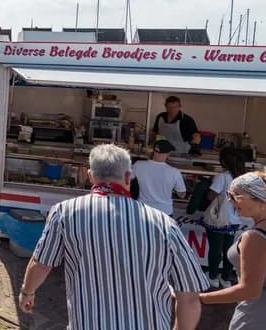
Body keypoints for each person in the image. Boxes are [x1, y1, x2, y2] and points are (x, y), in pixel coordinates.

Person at [20, 144, 207, 330]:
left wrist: (27, 292)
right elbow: (189, 297)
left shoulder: (65, 213)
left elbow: (42, 264)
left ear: (90, 176)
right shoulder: (164, 224)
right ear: (128, 177)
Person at [200, 166, 266, 328]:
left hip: (262, 315)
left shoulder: (255, 237)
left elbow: (250, 291)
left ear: (261, 201)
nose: (230, 200)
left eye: (235, 195)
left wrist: (201, 298)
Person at [204, 147, 247, 288]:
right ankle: (226, 277)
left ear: (223, 161)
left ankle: (213, 276)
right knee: (229, 248)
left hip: (219, 219)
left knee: (215, 248)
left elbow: (211, 196)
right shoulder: (243, 178)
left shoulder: (222, 177)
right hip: (235, 220)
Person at [131, 139, 187, 216]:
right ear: (168, 154)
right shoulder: (174, 172)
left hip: (143, 210)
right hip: (165, 212)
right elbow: (182, 194)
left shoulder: (138, 165)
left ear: (153, 151)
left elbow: (127, 179)